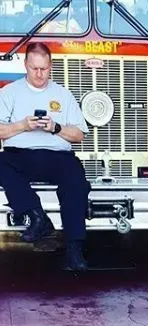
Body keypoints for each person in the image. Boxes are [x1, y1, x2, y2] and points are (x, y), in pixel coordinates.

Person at [0, 42, 90, 271]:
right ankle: (37, 217)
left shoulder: (64, 94)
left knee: (76, 180)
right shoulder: (9, 92)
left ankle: (74, 251)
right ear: (25, 66)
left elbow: (79, 135)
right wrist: (22, 125)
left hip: (56, 157)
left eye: (44, 69)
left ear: (51, 66)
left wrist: (56, 128)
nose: (39, 74)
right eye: (34, 68)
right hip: (18, 155)